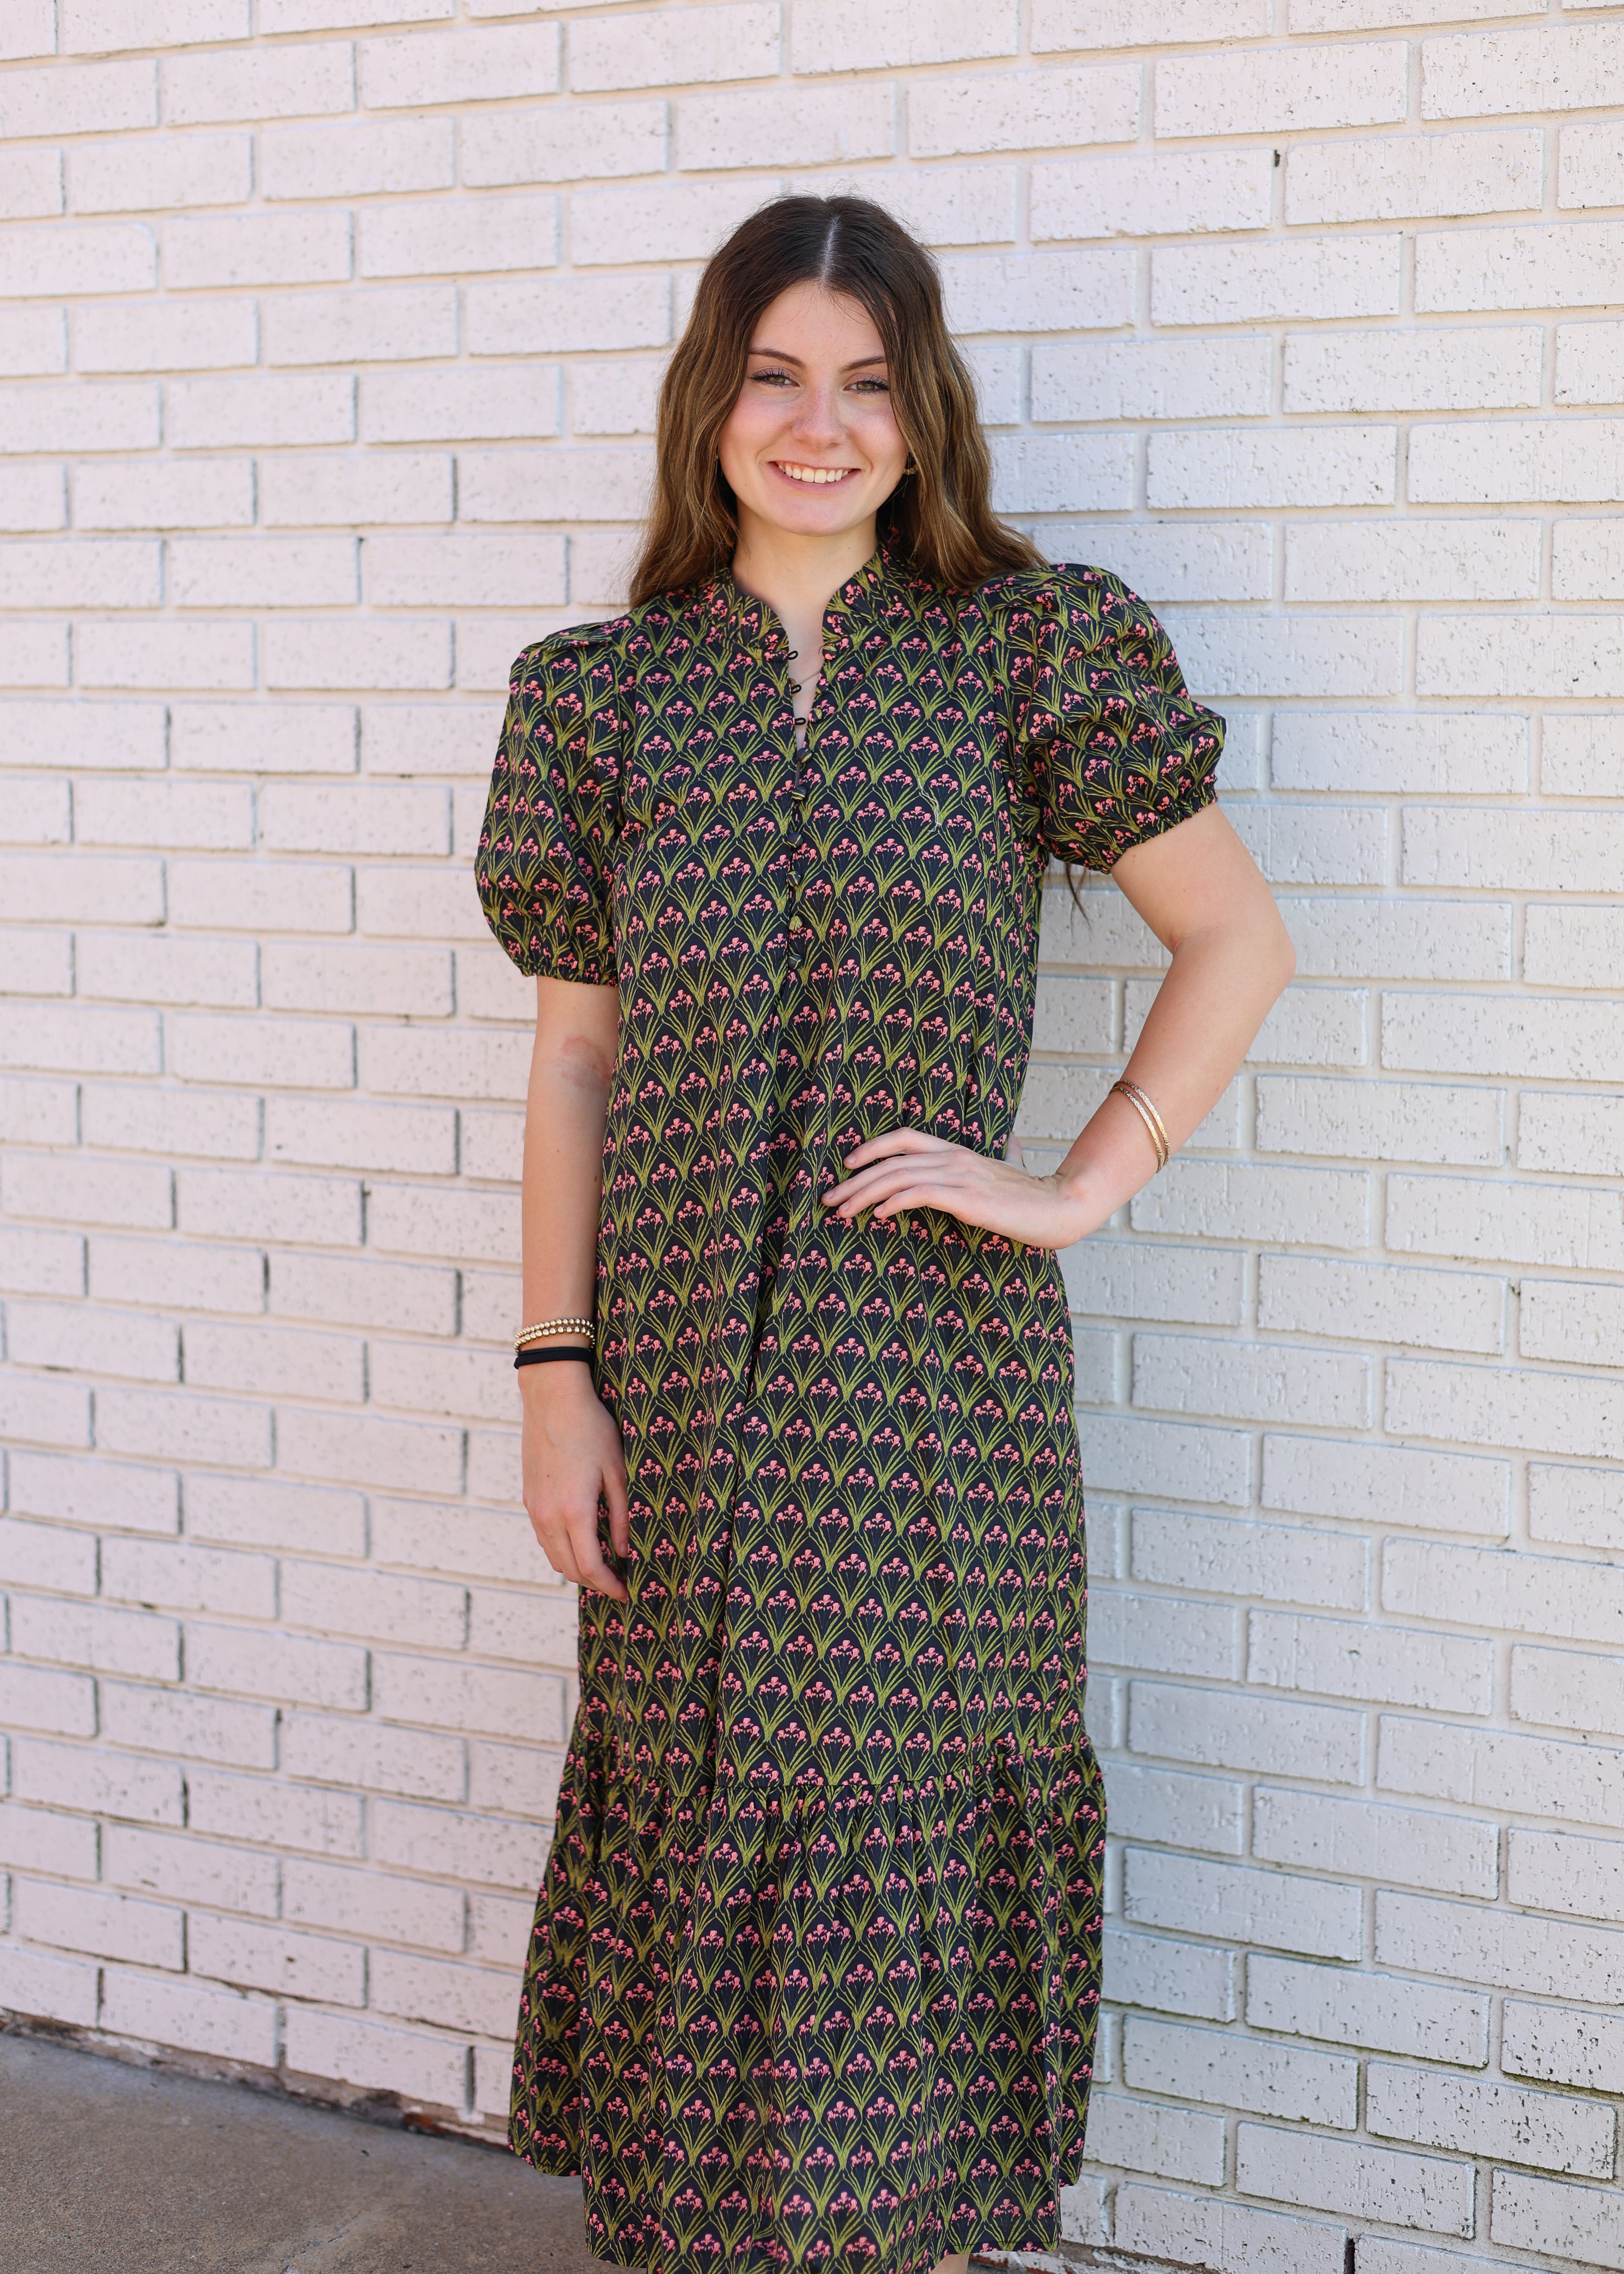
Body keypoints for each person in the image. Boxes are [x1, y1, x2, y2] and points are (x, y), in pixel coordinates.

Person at [474, 194, 1294, 2274]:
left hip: (925, 1388)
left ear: (922, 414)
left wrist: (1082, 1179)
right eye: (770, 375)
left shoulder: (1034, 648)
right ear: (711, 397)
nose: (814, 424)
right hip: (664, 1373)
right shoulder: (602, 696)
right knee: (697, 1805)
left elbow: (1236, 938)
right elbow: (577, 1067)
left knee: (889, 1836)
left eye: (862, 382)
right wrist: (553, 1377)